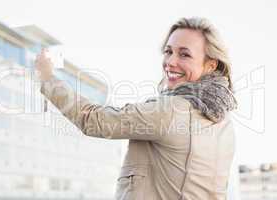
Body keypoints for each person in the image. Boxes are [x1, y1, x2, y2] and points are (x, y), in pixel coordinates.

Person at [35, 17, 238, 200]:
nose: (170, 62)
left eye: (184, 55)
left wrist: (47, 78)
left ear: (211, 65)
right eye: (168, 51)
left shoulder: (170, 111)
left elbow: (93, 119)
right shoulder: (224, 122)